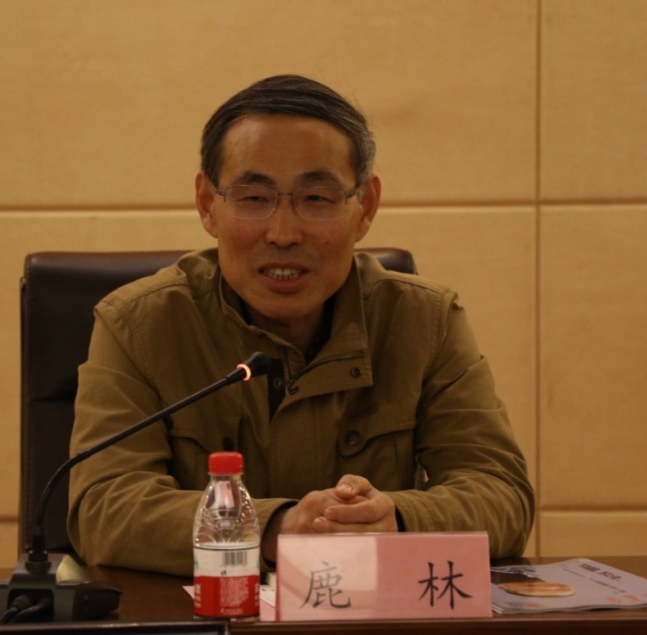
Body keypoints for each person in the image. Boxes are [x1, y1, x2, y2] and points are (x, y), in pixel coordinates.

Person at [67, 74, 534, 576]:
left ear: (365, 207)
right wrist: (275, 527)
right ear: (208, 204)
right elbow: (103, 508)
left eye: (316, 198)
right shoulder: (139, 324)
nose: (284, 233)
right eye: (253, 198)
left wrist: (395, 520)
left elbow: (501, 494)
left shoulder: (425, 320)